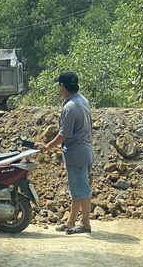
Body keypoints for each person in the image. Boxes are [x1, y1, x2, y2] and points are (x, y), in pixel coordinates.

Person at [36, 71, 94, 235]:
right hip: (85, 151)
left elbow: (63, 135)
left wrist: (47, 146)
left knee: (82, 190)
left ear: (62, 86)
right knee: (76, 190)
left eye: (59, 85)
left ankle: (85, 223)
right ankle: (70, 221)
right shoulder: (82, 100)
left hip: (75, 153)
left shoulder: (69, 108)